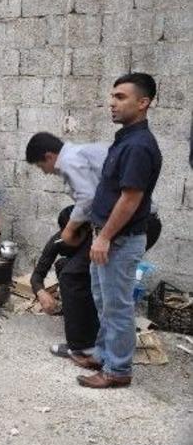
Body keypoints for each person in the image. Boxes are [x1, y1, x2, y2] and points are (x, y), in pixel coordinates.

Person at [79, 73, 163, 389]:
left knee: (118, 305)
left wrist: (104, 237)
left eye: (120, 97)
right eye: (112, 96)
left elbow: (130, 199)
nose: (112, 103)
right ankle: (103, 354)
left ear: (143, 103)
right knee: (104, 299)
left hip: (119, 240)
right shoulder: (126, 138)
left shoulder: (140, 145)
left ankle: (118, 370)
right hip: (108, 236)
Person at [25, 132, 106, 361]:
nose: (45, 172)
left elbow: (88, 198)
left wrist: (72, 229)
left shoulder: (70, 159)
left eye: (42, 166)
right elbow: (38, 274)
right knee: (66, 267)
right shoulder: (59, 240)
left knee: (73, 275)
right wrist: (41, 292)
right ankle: (90, 336)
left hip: (119, 227)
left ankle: (82, 346)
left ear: (49, 156)